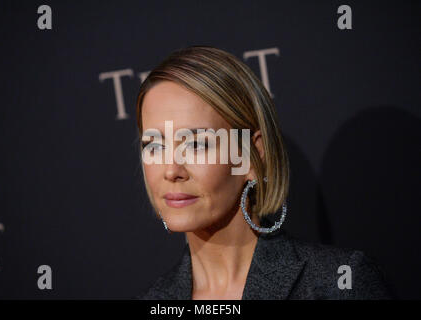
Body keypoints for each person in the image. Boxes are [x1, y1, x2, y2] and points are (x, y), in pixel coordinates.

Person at [135, 45, 392, 300]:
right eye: (155, 145)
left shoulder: (338, 285)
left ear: (252, 155)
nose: (171, 170)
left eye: (196, 144)